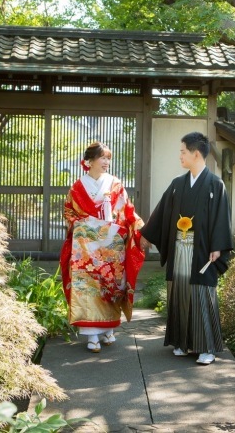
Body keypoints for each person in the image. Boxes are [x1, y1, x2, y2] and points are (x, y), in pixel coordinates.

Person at [140, 132, 233, 365]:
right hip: (179, 248)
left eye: (183, 151)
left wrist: (218, 247)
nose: (180, 156)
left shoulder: (215, 184)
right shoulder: (177, 184)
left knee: (201, 295)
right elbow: (162, 212)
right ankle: (182, 342)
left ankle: (206, 347)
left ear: (196, 153)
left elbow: (222, 218)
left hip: (202, 251)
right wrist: (146, 234)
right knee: (179, 293)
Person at [60, 142, 146, 353]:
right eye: (103, 158)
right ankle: (91, 336)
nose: (107, 162)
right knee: (89, 287)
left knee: (111, 285)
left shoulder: (115, 184)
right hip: (86, 247)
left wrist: (140, 229)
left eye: (109, 158)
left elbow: (127, 211)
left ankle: (108, 330)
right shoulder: (78, 187)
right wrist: (83, 225)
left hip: (110, 245)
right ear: (90, 161)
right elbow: (69, 213)